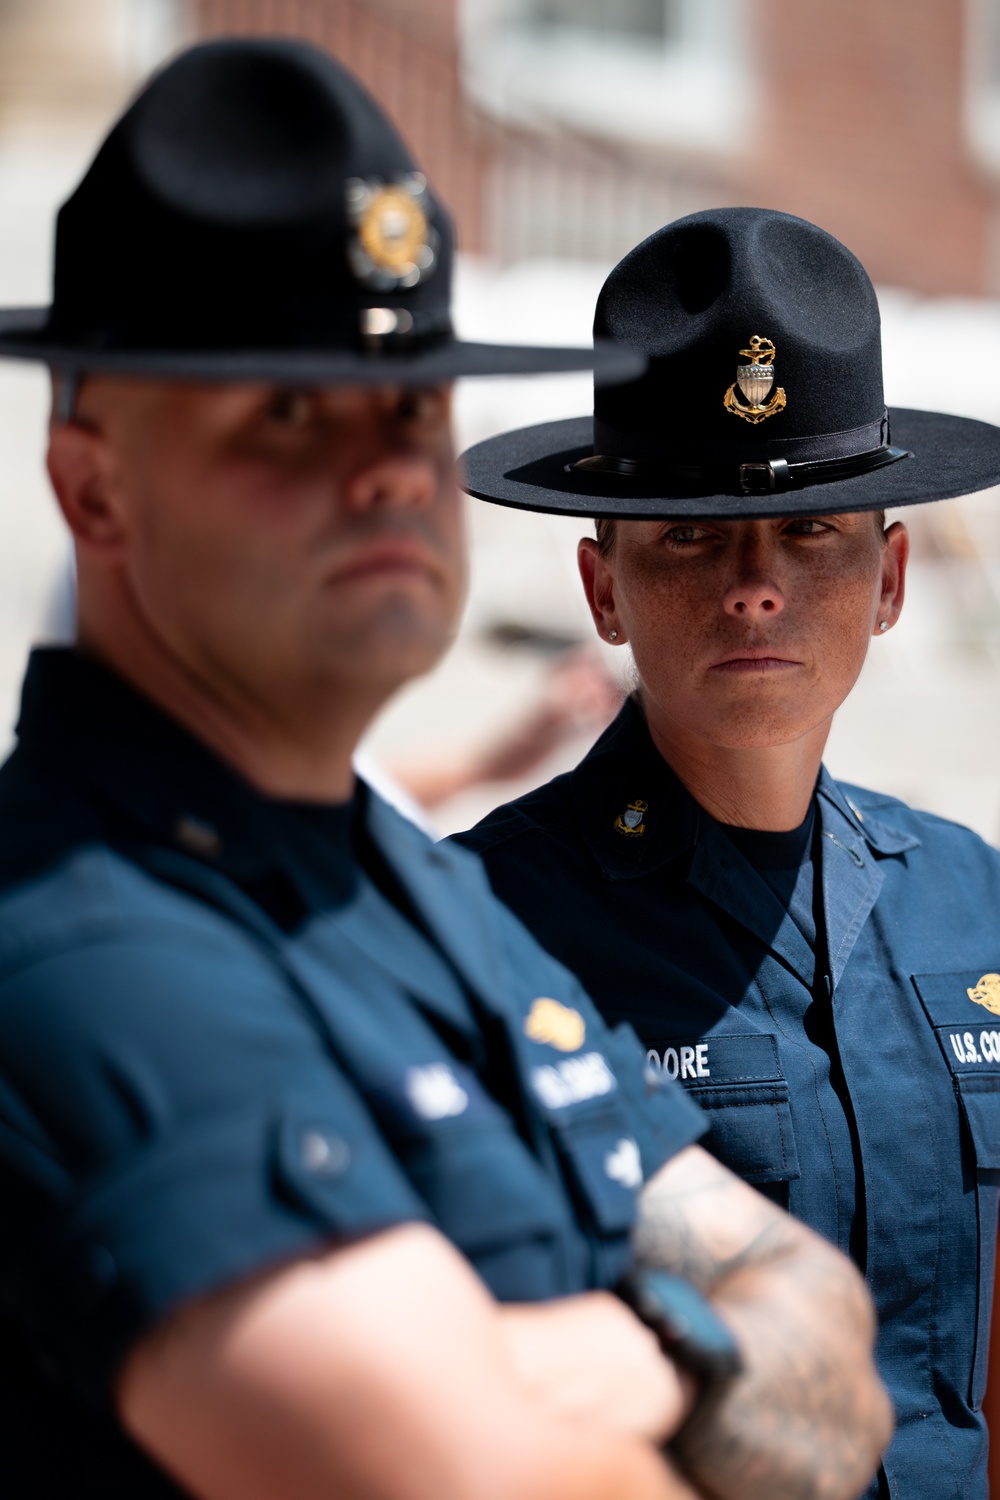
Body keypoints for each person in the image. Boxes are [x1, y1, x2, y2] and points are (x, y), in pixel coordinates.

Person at [0, 44, 889, 1500]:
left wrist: (600, 1355)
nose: (389, 469)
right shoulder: (80, 937)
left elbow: (829, 1341)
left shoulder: (414, 891)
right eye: (290, 413)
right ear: (94, 485)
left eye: (414, 405)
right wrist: (686, 1348)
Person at [455, 207, 1000, 1500]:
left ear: (890, 579)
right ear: (602, 588)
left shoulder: (974, 903)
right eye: (693, 535)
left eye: (812, 533)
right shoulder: (474, 931)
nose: (756, 584)